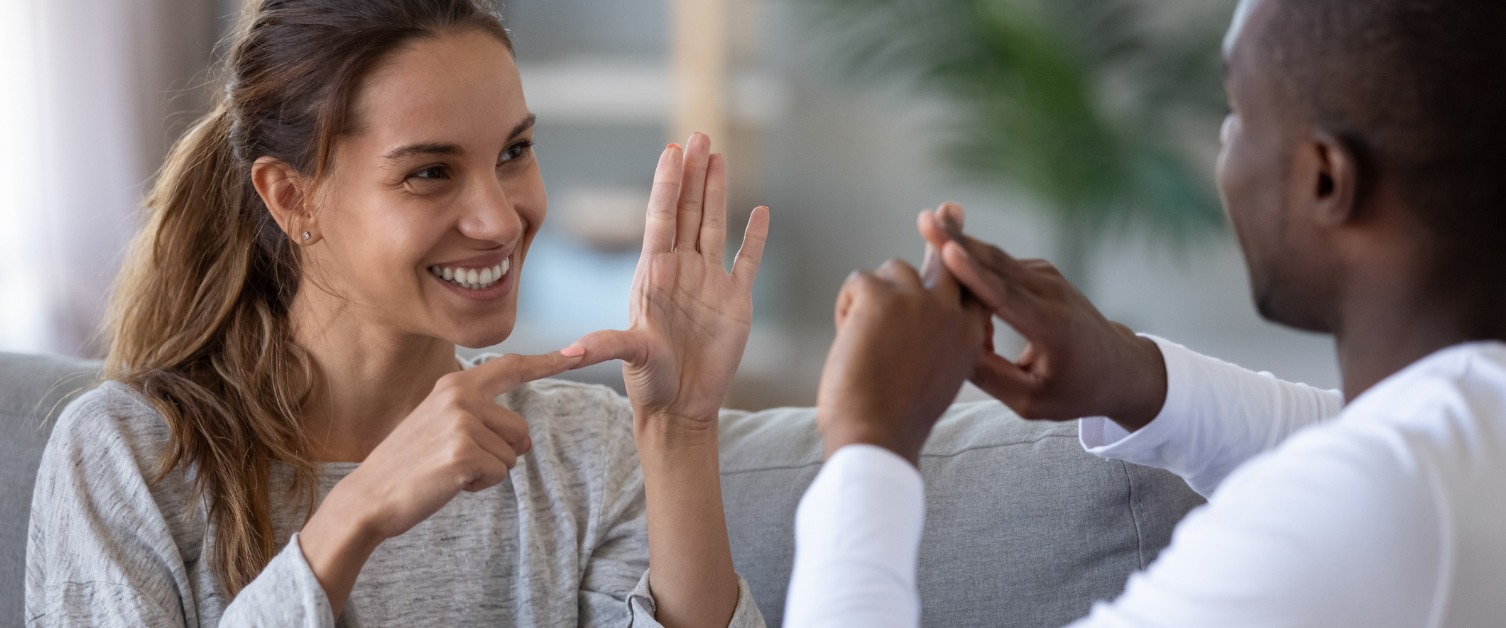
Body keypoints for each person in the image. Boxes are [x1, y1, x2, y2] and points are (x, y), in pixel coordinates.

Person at [25, 1, 769, 626]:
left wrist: (679, 435)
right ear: (292, 197)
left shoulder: (583, 449)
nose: (500, 220)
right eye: (430, 172)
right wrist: (359, 512)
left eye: (515, 151)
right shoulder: (130, 454)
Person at [788, 0, 1506, 625]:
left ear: (1325, 178)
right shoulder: (1463, 434)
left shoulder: (1364, 511)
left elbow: (1366, 478)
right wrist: (1137, 378)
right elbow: (1357, 436)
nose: (1225, 144)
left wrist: (870, 440)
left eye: (1237, 115)